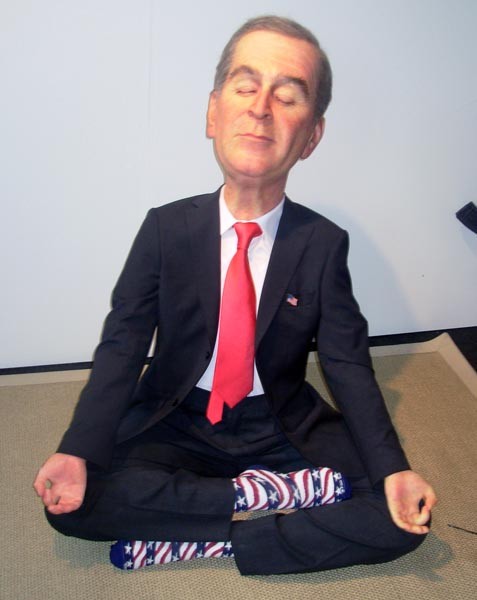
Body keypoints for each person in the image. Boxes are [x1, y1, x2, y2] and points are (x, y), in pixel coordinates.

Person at [33, 15, 437, 576]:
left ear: (311, 136)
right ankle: (259, 499)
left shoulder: (322, 243)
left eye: (287, 97)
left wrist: (393, 469)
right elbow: (122, 346)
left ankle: (207, 537)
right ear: (212, 113)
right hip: (178, 416)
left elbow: (347, 363)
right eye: (245, 88)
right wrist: (78, 448)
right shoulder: (165, 228)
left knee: (402, 517)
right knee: (72, 503)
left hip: (279, 422)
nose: (262, 108)